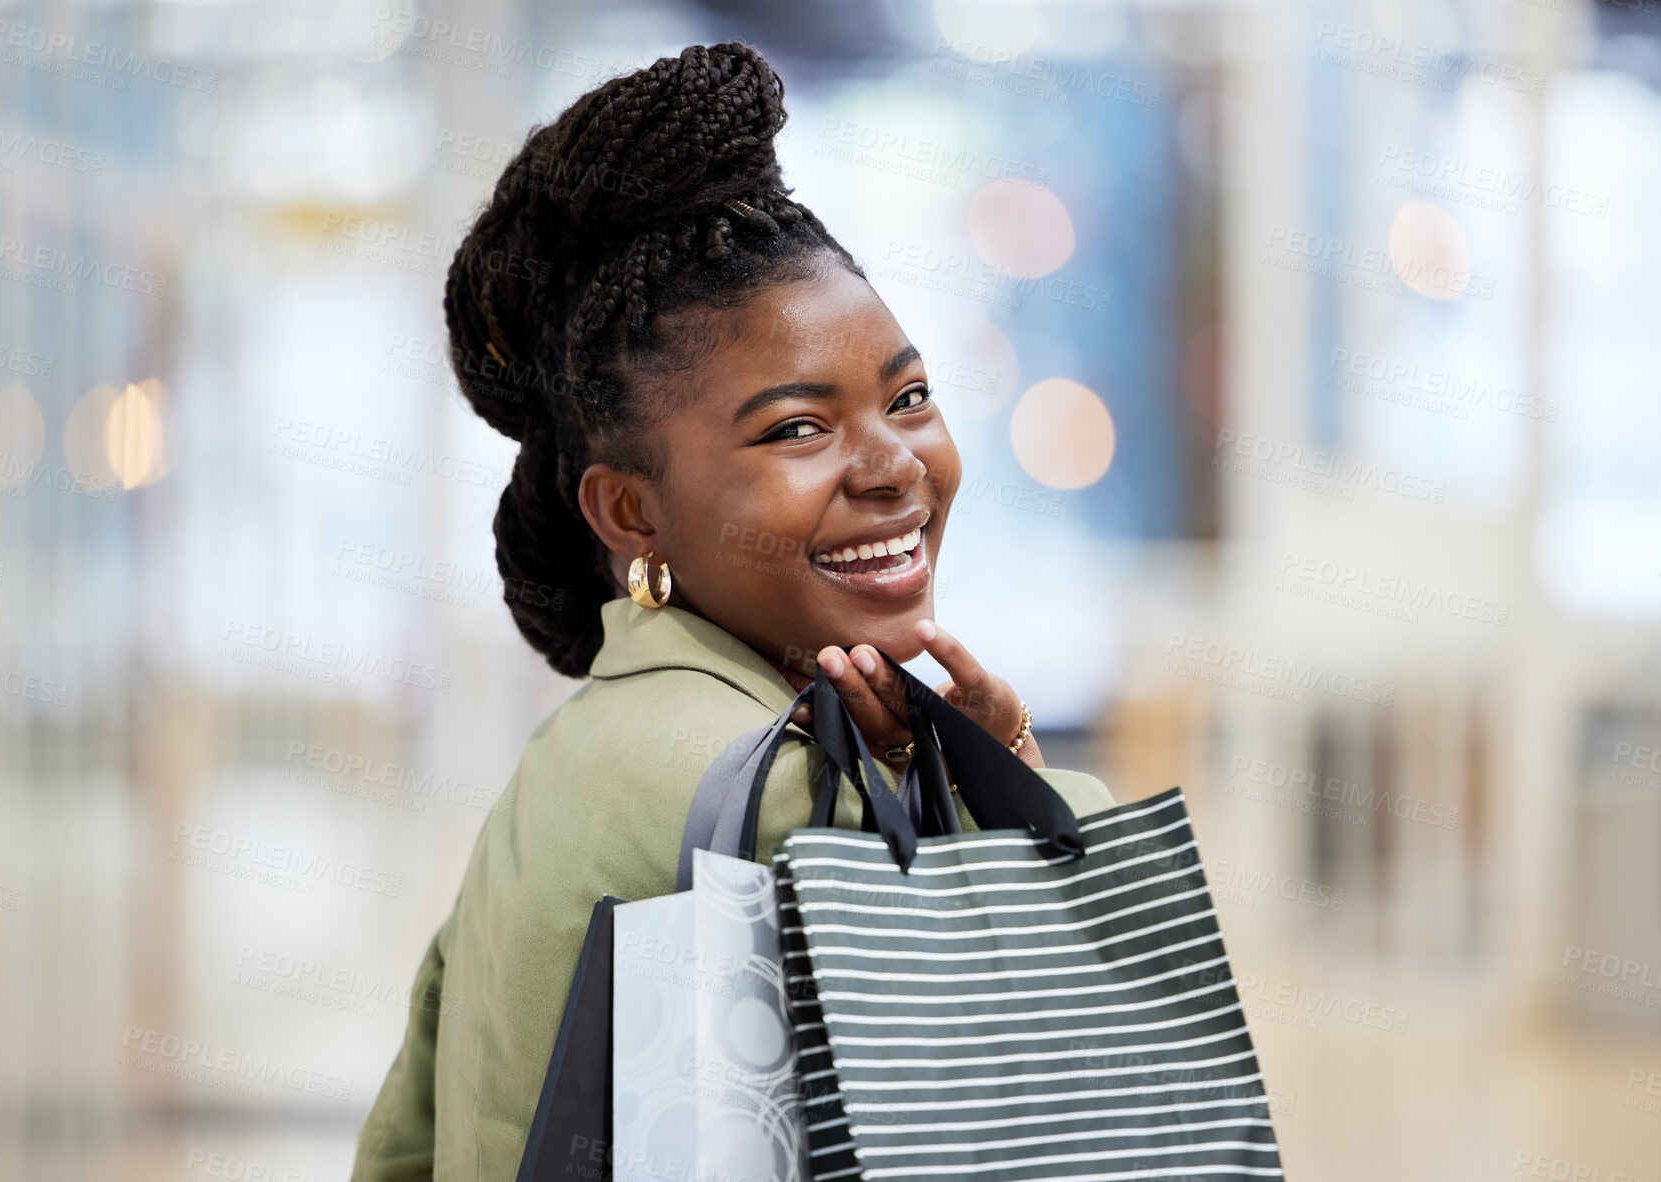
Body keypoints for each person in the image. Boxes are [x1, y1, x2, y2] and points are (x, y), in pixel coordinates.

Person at [350, 40, 1116, 1181]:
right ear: (630, 513)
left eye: (906, 397)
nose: (893, 467)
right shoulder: (767, 779)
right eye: (795, 429)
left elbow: (406, 1141)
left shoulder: (587, 750)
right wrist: (1003, 769)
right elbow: (1097, 974)